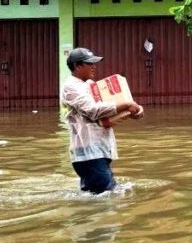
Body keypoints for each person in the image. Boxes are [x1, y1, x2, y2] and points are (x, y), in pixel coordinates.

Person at [60, 47, 143, 194]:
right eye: (89, 63)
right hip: (88, 153)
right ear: (77, 66)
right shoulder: (71, 87)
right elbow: (93, 110)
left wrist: (134, 111)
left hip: (99, 149)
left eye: (94, 63)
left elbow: (109, 109)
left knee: (100, 195)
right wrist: (126, 105)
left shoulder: (89, 85)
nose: (94, 66)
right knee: (106, 198)